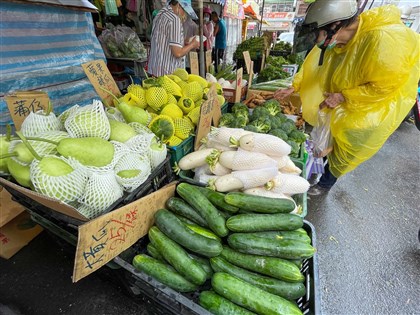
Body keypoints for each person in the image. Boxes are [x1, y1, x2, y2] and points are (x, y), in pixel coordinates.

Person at [274, 0, 420, 195]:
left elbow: (386, 86)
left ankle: (325, 184)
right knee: (323, 142)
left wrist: (343, 96)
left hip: (368, 110)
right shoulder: (335, 40)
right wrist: (294, 86)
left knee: (345, 150)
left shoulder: (382, 39)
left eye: (317, 34)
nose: (317, 40)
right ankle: (313, 173)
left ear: (335, 26)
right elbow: (313, 66)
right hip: (335, 102)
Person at [148, 0, 200, 77]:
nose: (185, 15)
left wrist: (184, 41)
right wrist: (192, 45)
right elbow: (178, 53)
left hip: (155, 71)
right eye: (185, 11)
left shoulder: (160, 14)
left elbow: (164, 40)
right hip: (168, 74)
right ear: (179, 5)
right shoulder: (174, 19)